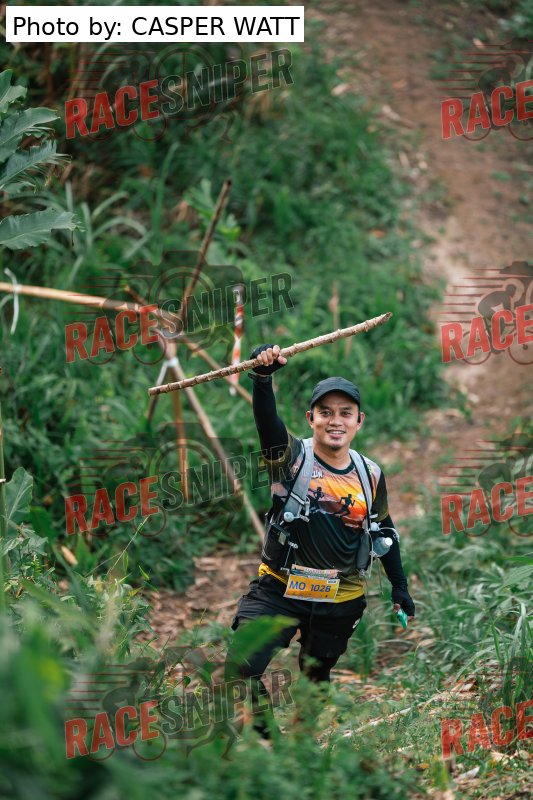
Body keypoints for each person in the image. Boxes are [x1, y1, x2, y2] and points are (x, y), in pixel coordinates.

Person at [225, 344, 415, 737]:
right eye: (325, 412)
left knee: (315, 678)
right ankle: (273, 743)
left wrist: (400, 586)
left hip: (339, 599)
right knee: (241, 666)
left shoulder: (370, 474)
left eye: (345, 413)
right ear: (310, 418)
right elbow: (267, 424)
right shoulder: (291, 457)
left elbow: (383, 528)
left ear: (359, 421)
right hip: (279, 589)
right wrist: (262, 379)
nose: (335, 421)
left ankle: (302, 748)